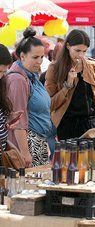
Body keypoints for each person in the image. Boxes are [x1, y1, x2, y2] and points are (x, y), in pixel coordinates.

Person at [45, 29, 95, 140]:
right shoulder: (55, 68)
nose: (81, 55)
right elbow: (50, 104)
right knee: (72, 157)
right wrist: (67, 85)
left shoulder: (94, 66)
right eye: (77, 50)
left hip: (92, 123)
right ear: (68, 46)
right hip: (68, 125)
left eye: (84, 51)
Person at [6, 27, 56, 167]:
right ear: (22, 56)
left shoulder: (31, 76)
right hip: (27, 144)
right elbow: (17, 120)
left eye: (42, 57)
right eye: (35, 57)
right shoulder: (18, 80)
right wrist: (25, 152)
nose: (40, 61)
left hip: (38, 142)